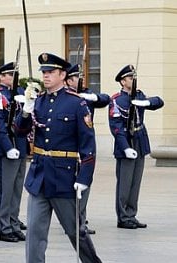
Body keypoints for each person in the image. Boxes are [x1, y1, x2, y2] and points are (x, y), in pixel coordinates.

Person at [21, 53, 102, 263]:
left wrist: (84, 178)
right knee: (34, 234)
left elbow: (88, 145)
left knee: (76, 231)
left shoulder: (76, 104)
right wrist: (26, 110)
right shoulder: (37, 101)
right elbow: (20, 132)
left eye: (50, 72)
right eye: (44, 73)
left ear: (62, 75)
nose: (46, 76)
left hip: (63, 177)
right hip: (39, 176)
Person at [109, 64, 164, 229]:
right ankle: (123, 217)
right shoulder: (117, 100)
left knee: (135, 182)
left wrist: (145, 102)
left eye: (134, 78)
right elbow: (116, 127)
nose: (133, 81)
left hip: (140, 141)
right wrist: (125, 147)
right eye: (130, 78)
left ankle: (131, 214)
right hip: (126, 142)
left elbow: (158, 102)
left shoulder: (139, 95)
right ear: (122, 81)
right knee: (125, 183)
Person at [65, 64, 110, 234]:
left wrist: (93, 98)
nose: (81, 80)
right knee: (72, 183)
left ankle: (81, 219)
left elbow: (106, 99)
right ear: (69, 80)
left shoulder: (86, 94)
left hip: (86, 143)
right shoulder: (67, 96)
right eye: (77, 77)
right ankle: (74, 221)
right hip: (71, 144)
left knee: (85, 180)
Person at [0, 62, 28, 243]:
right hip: (6, 148)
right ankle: (4, 227)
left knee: (17, 188)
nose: (12, 78)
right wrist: (8, 147)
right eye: (9, 75)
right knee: (6, 189)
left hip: (20, 144)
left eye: (14, 75)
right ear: (2, 77)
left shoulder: (19, 94)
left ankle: (14, 223)